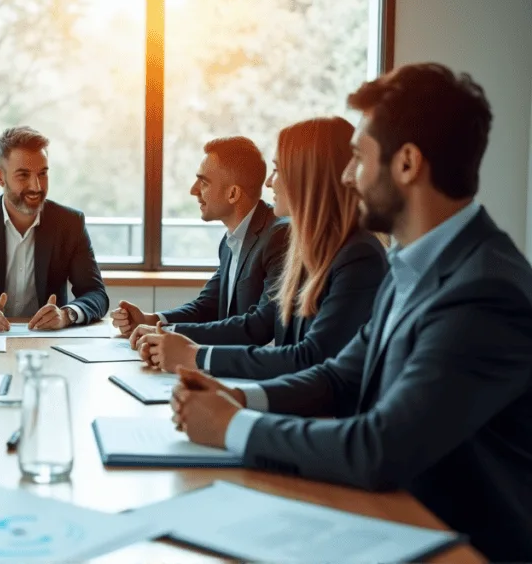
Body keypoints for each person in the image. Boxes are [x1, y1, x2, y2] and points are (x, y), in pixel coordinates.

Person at [169, 63, 532, 560]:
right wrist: (237, 396)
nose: (345, 175)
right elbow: (338, 377)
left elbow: (379, 447)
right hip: (392, 517)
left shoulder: (485, 290)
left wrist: (231, 426)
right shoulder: (413, 262)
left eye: (358, 157)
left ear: (406, 164)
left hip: (456, 543)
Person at [136, 117, 387, 380]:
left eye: (277, 169)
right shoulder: (306, 251)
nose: (268, 183)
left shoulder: (357, 256)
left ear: (307, 178)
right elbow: (267, 324)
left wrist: (196, 355)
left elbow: (309, 357)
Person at [114, 137, 289, 338]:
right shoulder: (230, 241)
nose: (193, 190)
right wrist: (151, 319)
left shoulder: (278, 236)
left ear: (233, 194)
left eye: (204, 182)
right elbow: (208, 307)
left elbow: (260, 326)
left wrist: (165, 333)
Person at [0, 126, 108, 331]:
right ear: (0, 177)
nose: (36, 186)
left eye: (42, 174)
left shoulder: (70, 223)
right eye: (23, 175)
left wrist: (66, 315)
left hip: (47, 341)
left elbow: (96, 293)